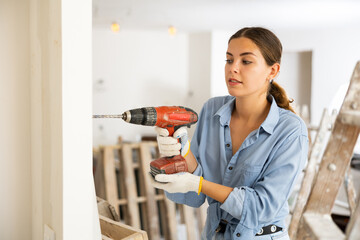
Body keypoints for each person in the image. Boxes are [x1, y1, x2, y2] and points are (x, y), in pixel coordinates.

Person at [151, 27, 308, 240]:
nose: (233, 69)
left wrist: (197, 183)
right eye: (229, 59)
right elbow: (194, 196)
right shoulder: (211, 111)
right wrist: (181, 151)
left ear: (272, 71)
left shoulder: (290, 130)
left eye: (246, 61)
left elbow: (262, 207)